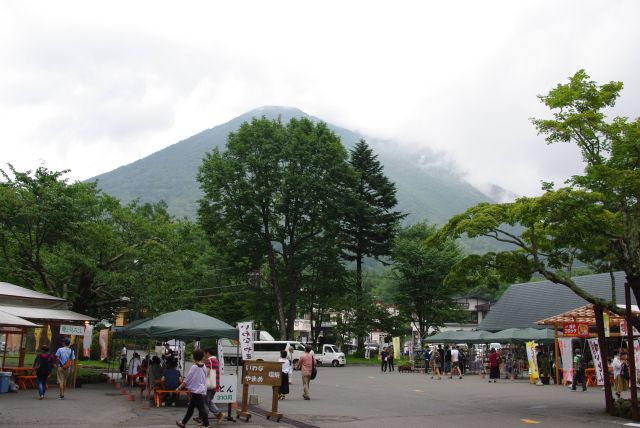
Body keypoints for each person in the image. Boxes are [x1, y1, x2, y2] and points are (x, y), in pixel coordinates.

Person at [175, 349, 210, 428]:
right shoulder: (204, 366)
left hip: (197, 391)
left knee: (201, 409)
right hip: (201, 389)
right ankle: (183, 423)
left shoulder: (194, 367)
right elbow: (204, 377)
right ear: (201, 357)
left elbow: (187, 380)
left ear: (194, 357)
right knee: (191, 408)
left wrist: (179, 388)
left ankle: (207, 425)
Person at [194, 348, 224, 424]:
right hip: (215, 384)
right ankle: (218, 414)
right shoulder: (216, 361)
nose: (204, 355)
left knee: (204, 402)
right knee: (208, 401)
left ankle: (205, 420)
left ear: (207, 353)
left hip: (208, 385)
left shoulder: (209, 361)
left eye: (204, 353)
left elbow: (205, 373)